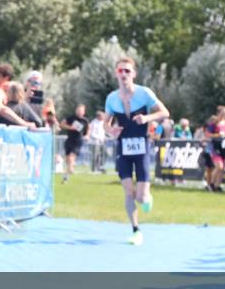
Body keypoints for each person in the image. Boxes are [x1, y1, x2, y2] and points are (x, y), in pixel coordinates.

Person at [104, 57, 170, 245]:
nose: (123, 74)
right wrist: (111, 130)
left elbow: (165, 113)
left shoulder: (144, 93)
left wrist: (147, 118)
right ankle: (135, 230)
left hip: (141, 148)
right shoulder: (112, 98)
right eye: (120, 71)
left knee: (140, 197)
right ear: (116, 74)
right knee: (128, 192)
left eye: (127, 71)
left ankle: (147, 198)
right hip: (123, 149)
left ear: (133, 74)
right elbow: (105, 124)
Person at [60, 104, 90, 183]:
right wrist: (70, 127)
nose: (79, 112)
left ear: (83, 112)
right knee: (68, 161)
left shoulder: (85, 120)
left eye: (81, 111)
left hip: (78, 141)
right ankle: (66, 176)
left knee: (71, 158)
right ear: (76, 110)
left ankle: (70, 169)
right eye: (78, 110)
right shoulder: (71, 118)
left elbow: (88, 129)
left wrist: (87, 135)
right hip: (69, 140)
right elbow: (62, 124)